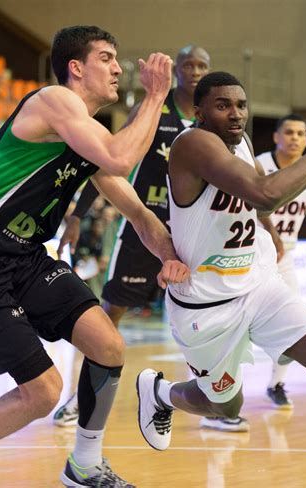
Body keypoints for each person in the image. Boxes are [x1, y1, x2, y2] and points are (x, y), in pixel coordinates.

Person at [0, 25, 190, 488]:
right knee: (45, 392)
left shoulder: (85, 134)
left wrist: (170, 255)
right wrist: (155, 98)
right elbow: (118, 157)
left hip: (26, 257)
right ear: (76, 67)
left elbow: (137, 212)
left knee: (109, 346)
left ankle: (85, 465)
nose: (118, 68)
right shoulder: (53, 101)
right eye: (107, 58)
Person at [136, 72, 306, 466]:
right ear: (200, 111)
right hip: (206, 307)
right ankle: (160, 394)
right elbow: (264, 192)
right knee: (225, 407)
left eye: (241, 105)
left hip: (260, 285)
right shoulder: (193, 145)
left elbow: (263, 204)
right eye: (222, 105)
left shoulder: (241, 143)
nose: (235, 114)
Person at [54, 45, 251, 433]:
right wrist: (78, 215)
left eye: (202, 65)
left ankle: (216, 398)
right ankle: (78, 400)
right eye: (188, 64)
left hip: (198, 236)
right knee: (108, 316)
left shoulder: (219, 120)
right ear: (176, 71)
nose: (195, 70)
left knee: (209, 320)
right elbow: (108, 162)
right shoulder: (152, 112)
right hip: (147, 228)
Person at [255, 113, 306, 408]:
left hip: (285, 255)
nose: (295, 138)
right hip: (252, 251)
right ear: (276, 137)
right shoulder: (260, 165)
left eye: (301, 134)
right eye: (289, 133)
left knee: (295, 319)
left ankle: (276, 383)